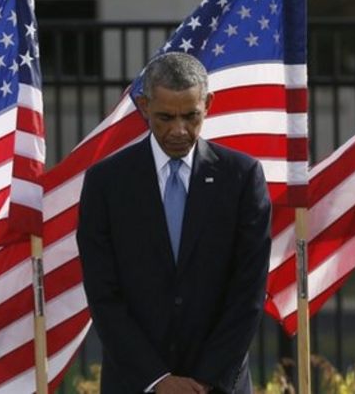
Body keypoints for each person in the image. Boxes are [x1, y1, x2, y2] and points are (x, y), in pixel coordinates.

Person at [76, 52, 272, 394]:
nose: (179, 130)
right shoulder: (106, 183)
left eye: (191, 116)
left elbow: (248, 293)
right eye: (165, 117)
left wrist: (205, 380)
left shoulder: (241, 178)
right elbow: (104, 295)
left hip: (217, 384)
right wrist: (157, 380)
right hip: (136, 384)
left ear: (208, 104)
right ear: (143, 105)